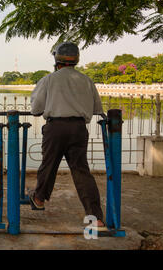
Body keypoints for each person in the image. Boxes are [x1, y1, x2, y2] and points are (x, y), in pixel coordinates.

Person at [29, 41, 107, 230]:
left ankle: (39, 198)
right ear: (76, 60)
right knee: (81, 171)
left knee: (49, 165)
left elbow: (36, 109)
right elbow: (97, 108)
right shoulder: (86, 80)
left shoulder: (49, 79)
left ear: (57, 60)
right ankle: (96, 218)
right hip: (79, 129)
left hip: (56, 127)